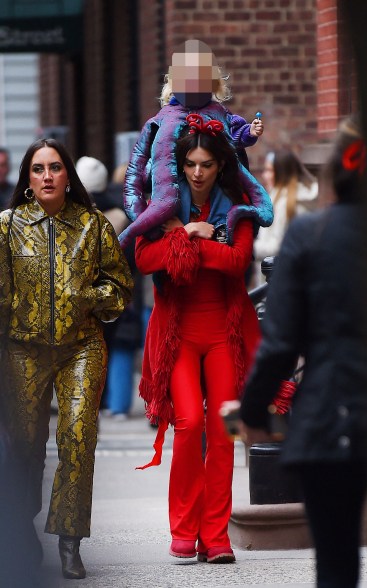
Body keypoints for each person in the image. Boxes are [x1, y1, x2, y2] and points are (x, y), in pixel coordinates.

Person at [239, 116, 367, 587]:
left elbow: (280, 341)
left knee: (336, 566)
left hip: (332, 413)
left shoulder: (312, 235)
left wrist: (253, 409)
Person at [134, 113, 272, 564]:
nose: (197, 172)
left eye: (206, 164)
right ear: (180, 165)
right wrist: (196, 236)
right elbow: (145, 257)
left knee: (225, 431)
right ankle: (183, 528)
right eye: (190, 163)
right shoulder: (163, 207)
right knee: (190, 422)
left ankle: (216, 536)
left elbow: (237, 262)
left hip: (225, 334)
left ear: (220, 167)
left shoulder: (238, 207)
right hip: (178, 332)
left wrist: (191, 238)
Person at [0, 139, 133, 580]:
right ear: (28, 179)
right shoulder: (7, 226)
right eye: (38, 169)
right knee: (24, 446)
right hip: (23, 347)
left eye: (55, 167)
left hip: (82, 345)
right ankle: (21, 530)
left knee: (79, 437)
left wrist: (89, 296)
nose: (47, 176)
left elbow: (120, 287)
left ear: (68, 175)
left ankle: (70, 542)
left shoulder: (93, 226)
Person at [119, 39, 270, 249]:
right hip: (178, 204)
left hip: (215, 198)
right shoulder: (162, 119)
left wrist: (249, 133)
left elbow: (234, 135)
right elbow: (138, 168)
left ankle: (217, 230)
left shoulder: (219, 114)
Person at [252, 148, 318, 284]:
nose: (265, 175)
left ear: (282, 172)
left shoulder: (285, 204)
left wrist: (247, 248)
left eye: (270, 170)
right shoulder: (281, 199)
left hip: (281, 280)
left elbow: (278, 246)